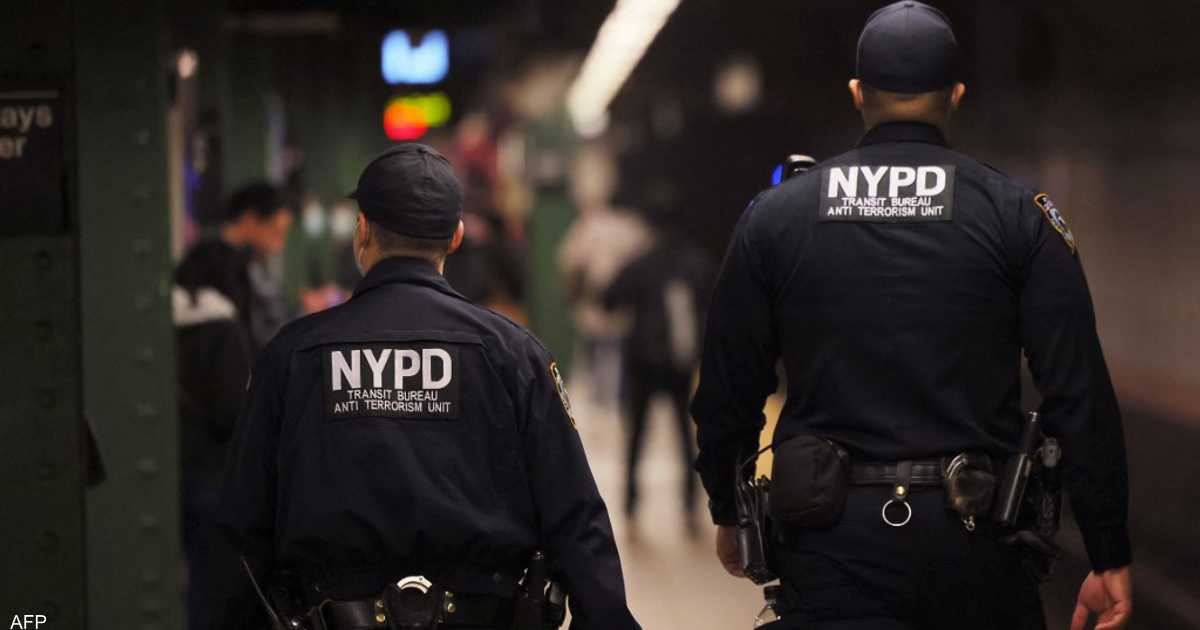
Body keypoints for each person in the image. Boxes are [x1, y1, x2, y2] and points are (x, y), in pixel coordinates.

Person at [690, 3, 1132, 629]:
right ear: (956, 95)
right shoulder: (1017, 215)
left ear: (857, 93)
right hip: (977, 551)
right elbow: (1078, 393)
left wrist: (728, 510)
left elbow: (728, 386)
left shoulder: (776, 217)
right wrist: (1108, 550)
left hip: (829, 552)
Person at [215, 143, 640, 630]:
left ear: (362, 230)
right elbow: (575, 514)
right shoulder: (513, 354)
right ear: (456, 236)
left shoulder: (292, 356)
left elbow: (242, 525)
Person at [174, 181, 292, 630]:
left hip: (193, 456)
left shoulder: (191, 287)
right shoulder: (223, 315)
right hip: (217, 463)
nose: (278, 243)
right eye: (275, 230)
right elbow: (230, 401)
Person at [603, 211, 714, 533]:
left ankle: (630, 505)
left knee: (636, 435)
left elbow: (609, 299)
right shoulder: (697, 263)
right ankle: (690, 506)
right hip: (680, 363)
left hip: (642, 361)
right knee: (684, 436)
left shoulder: (641, 263)